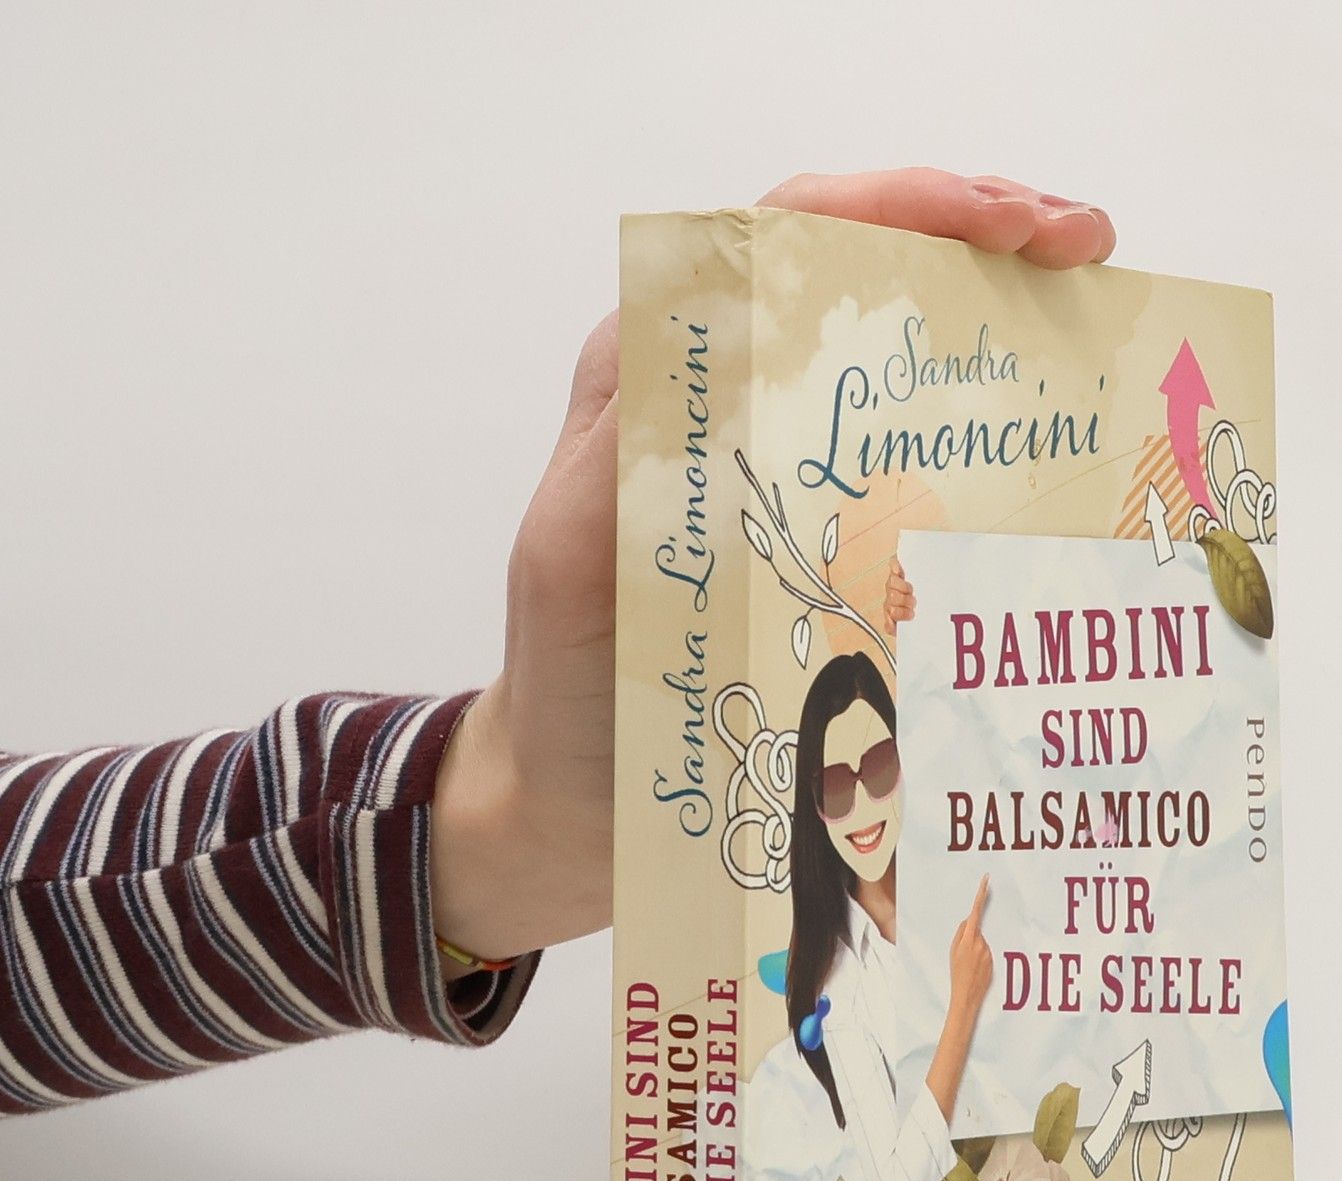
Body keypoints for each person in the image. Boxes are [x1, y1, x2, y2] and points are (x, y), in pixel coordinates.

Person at [0, 169, 1115, 1120]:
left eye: (881, 763)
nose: (870, 796)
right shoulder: (836, 991)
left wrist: (506, 821)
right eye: (841, 774)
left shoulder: (1006, 903)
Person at [743, 645, 992, 1181]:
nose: (862, 807)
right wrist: (963, 1004)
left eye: (878, 768)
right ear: (816, 804)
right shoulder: (839, 985)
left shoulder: (963, 860)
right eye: (837, 787)